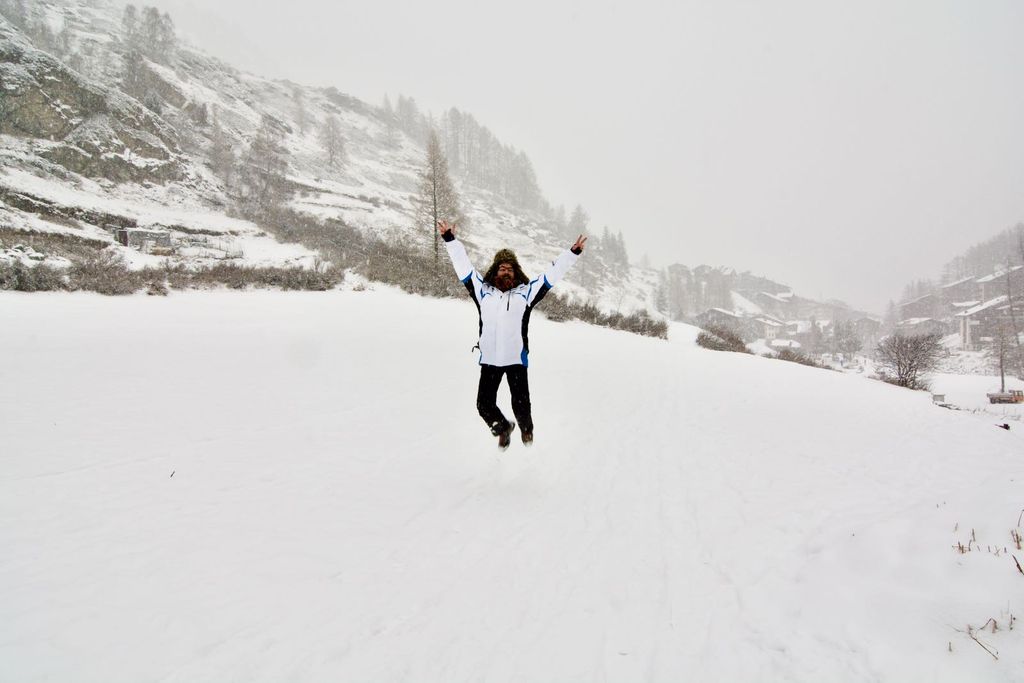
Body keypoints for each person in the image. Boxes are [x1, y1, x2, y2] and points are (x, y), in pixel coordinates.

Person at [439, 220, 586, 449]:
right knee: (483, 405)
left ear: (516, 273)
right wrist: (450, 240)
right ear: (495, 271)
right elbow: (463, 267)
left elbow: (550, 276)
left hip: (516, 359)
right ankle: (502, 427)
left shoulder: (526, 293)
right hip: (489, 360)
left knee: (521, 405)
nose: (506, 271)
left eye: (510, 269)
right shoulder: (482, 291)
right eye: (502, 268)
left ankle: (526, 430)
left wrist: (572, 253)